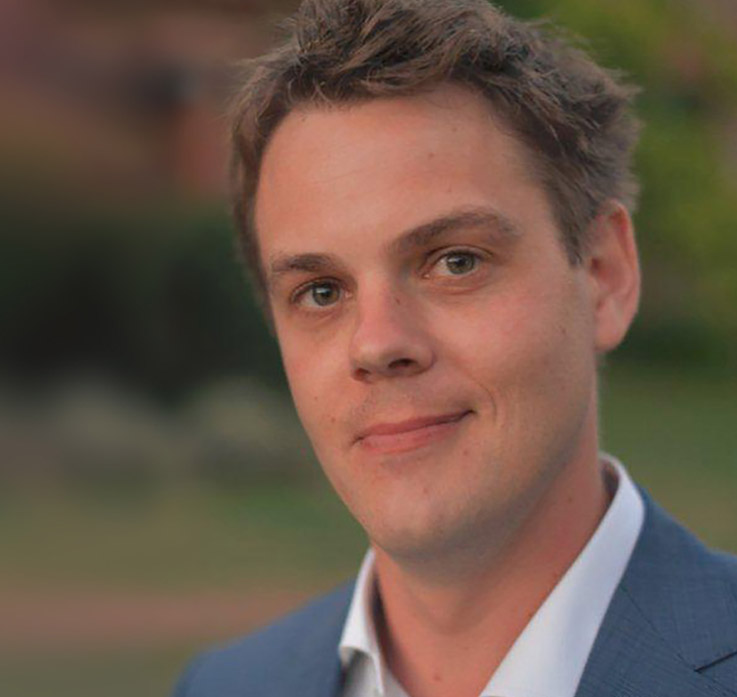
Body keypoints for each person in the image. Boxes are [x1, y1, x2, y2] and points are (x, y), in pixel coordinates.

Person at [173, 1, 737, 696]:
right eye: (321, 292)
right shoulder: (225, 685)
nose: (377, 343)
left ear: (603, 276)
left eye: (455, 262)